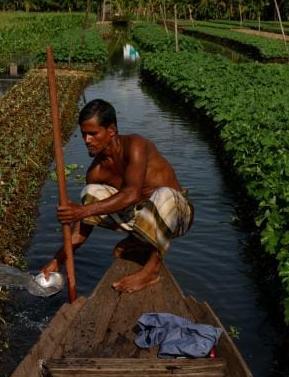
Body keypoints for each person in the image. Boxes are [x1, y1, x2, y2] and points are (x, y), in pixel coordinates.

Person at [41, 99, 193, 293]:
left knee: (165, 195)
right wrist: (57, 260)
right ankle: (140, 239)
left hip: (177, 215)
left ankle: (151, 269)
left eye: (93, 134)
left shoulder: (136, 145)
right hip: (140, 217)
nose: (87, 140)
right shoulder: (96, 171)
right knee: (91, 192)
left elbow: (132, 194)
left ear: (111, 130)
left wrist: (81, 211)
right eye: (84, 134)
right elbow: (82, 227)